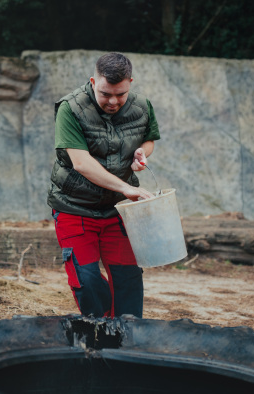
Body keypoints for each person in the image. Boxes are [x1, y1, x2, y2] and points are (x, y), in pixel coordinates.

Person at [47, 52, 160, 319]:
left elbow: (149, 140)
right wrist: (126, 188)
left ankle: (127, 340)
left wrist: (142, 153)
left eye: (120, 94)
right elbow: (81, 163)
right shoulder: (70, 108)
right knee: (87, 282)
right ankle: (99, 334)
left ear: (130, 83)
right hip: (74, 208)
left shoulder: (142, 106)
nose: (113, 101)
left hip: (117, 211)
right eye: (105, 93)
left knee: (128, 281)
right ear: (93, 81)